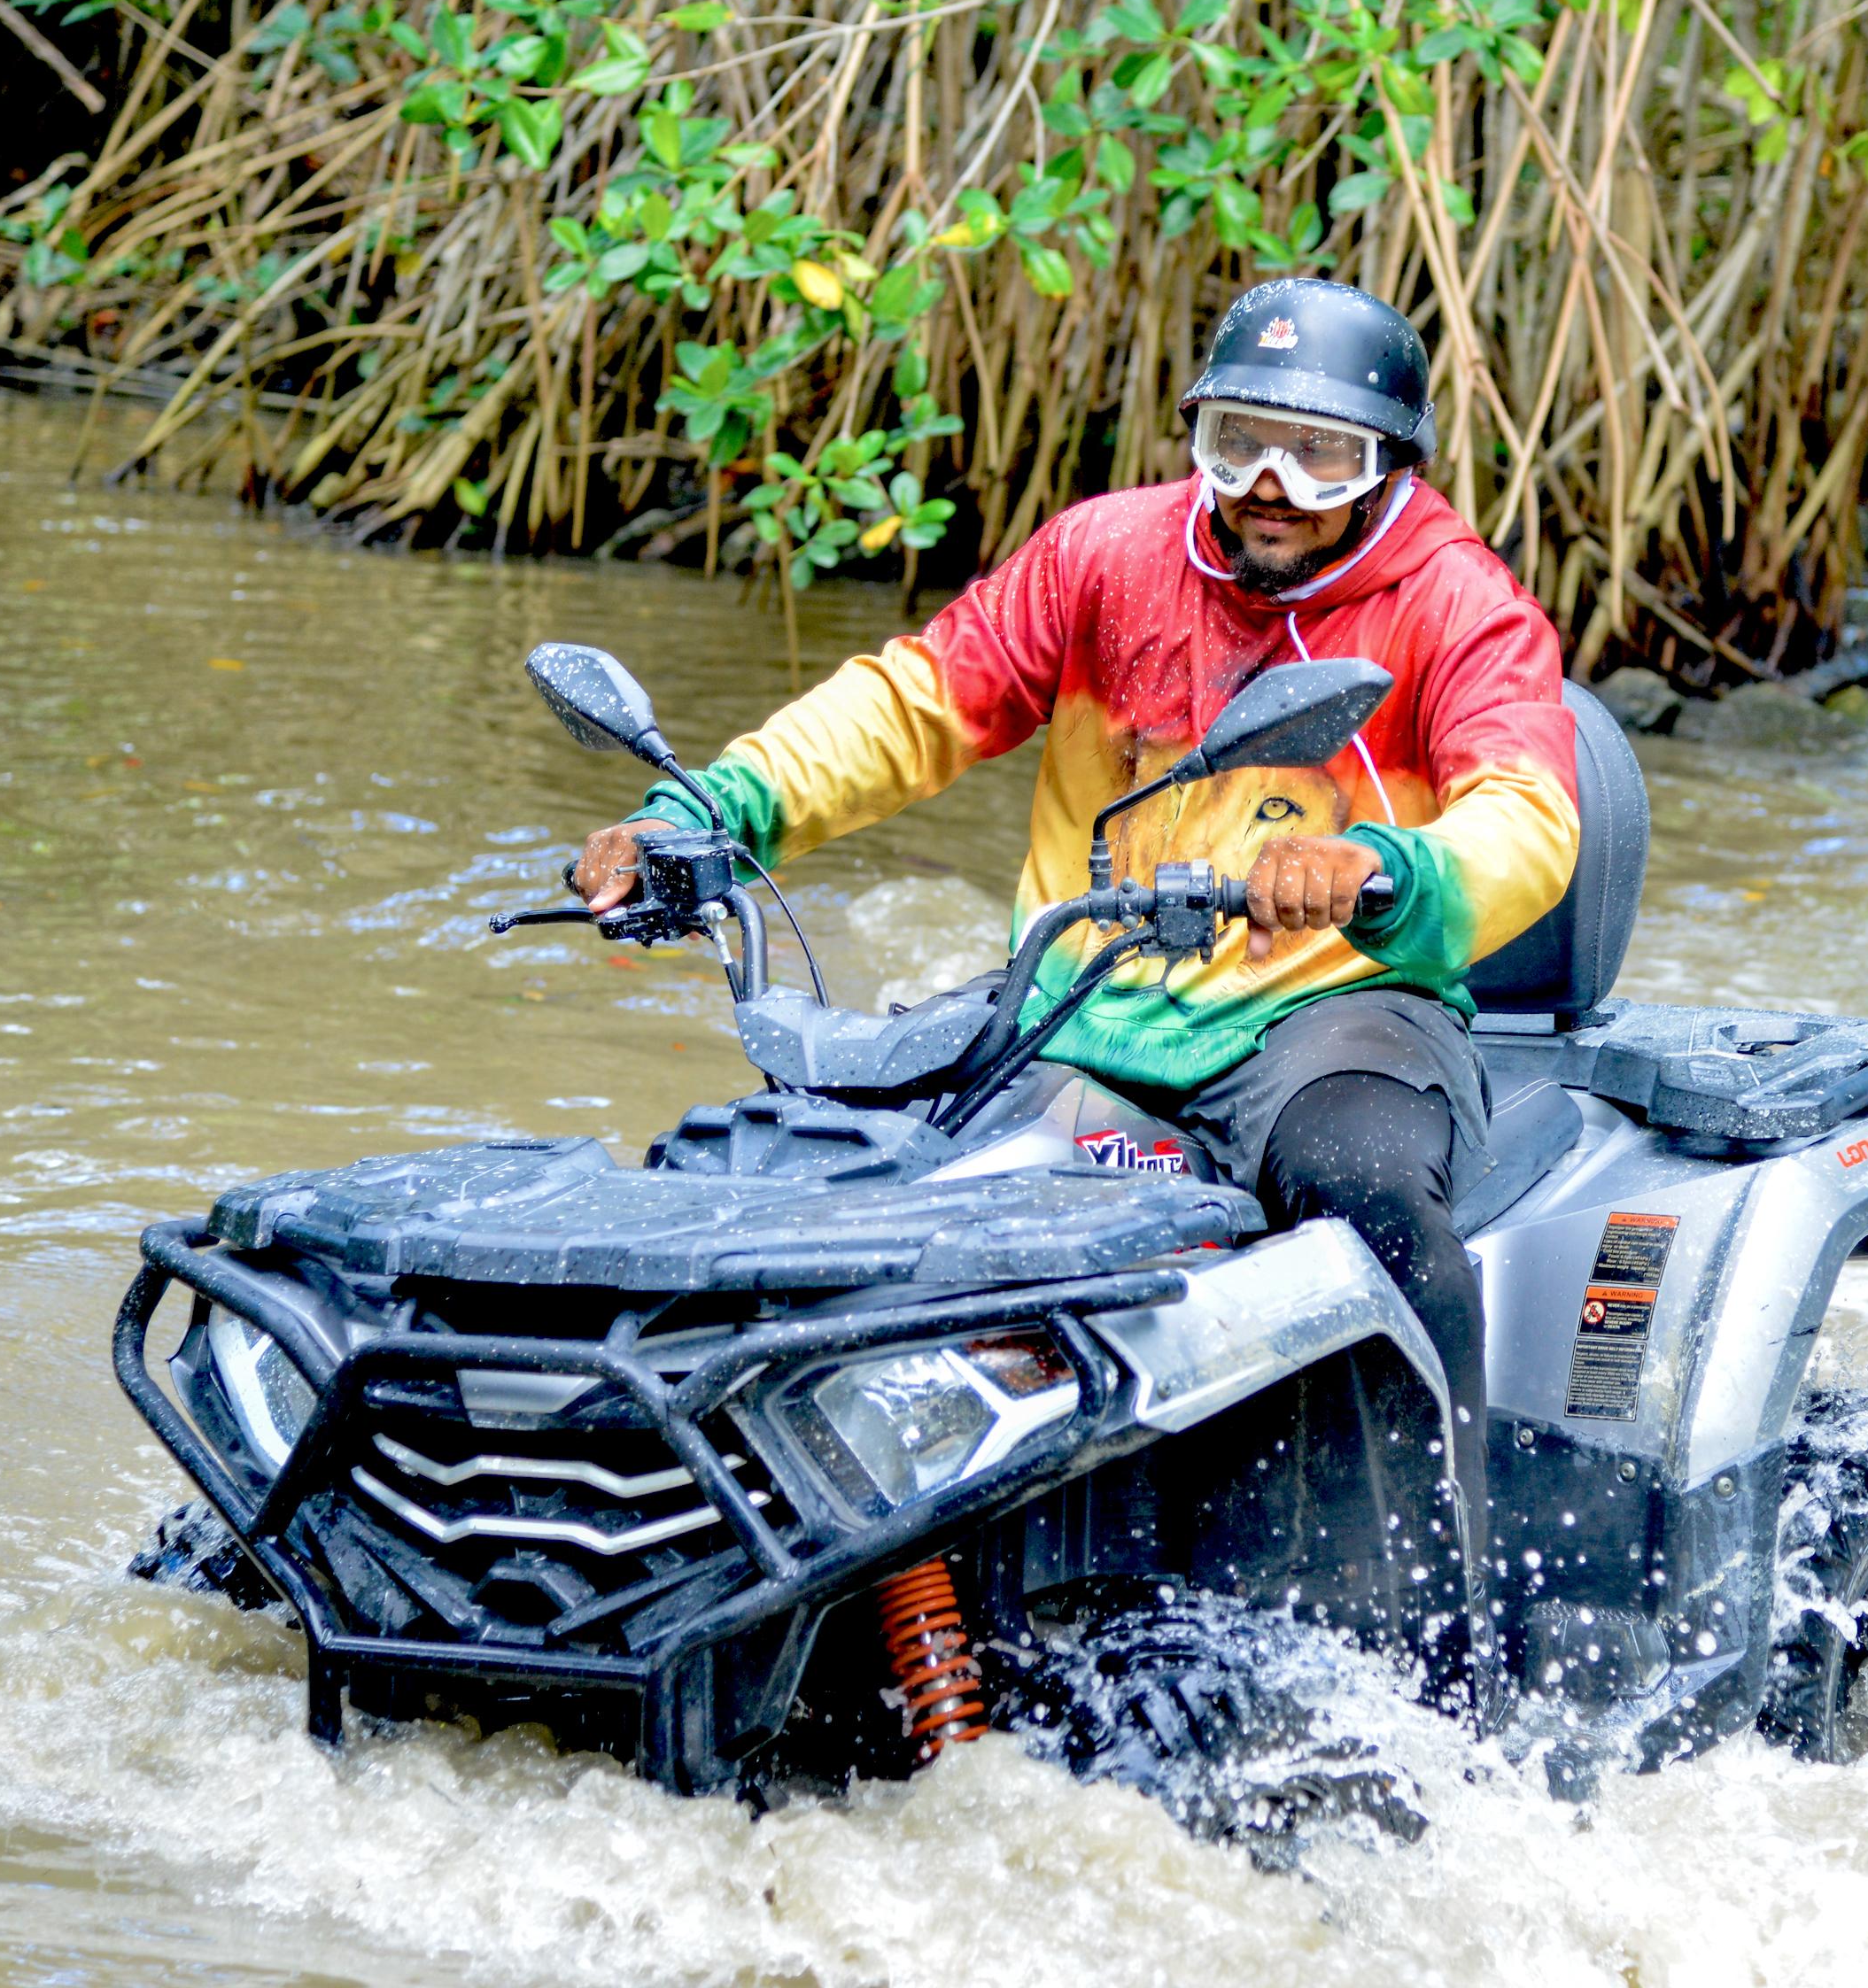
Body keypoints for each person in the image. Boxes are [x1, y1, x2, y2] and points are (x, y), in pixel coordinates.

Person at [574, 278, 1578, 1564]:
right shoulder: (1103, 556)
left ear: (1389, 465)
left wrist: (1384, 870)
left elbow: (1528, 819)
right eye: (1239, 443)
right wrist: (714, 816)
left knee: (1369, 1198)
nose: (1271, 485)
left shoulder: (1459, 601)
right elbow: (910, 708)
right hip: (1078, 1003)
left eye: (1319, 454)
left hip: (1330, 1008)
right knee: (816, 1163)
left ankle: (1440, 1607)